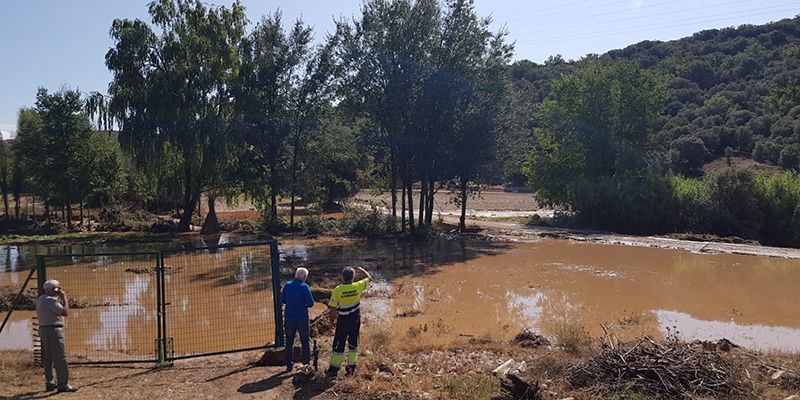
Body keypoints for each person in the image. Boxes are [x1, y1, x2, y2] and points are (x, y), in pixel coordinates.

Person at [326, 266, 372, 377]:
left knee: (339, 343)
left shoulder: (337, 290)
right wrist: (361, 269)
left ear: (343, 277)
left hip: (343, 321)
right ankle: (351, 367)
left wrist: (332, 321)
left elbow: (333, 308)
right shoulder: (358, 286)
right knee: (353, 343)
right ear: (353, 277)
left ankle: (334, 369)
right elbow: (369, 278)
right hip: (355, 320)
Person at [35, 279, 77, 393]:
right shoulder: (51, 301)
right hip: (53, 331)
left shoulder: (41, 299)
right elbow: (65, 312)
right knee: (60, 359)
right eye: (57, 288)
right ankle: (63, 385)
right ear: (52, 289)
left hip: (43, 330)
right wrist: (64, 298)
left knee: (48, 358)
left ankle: (50, 382)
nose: (59, 290)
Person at [281, 267, 315, 372]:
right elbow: (311, 303)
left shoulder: (287, 285)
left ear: (296, 275)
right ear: (304, 277)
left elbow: (283, 300)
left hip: (289, 317)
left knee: (289, 341)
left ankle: (289, 364)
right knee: (305, 341)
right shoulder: (304, 287)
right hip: (302, 318)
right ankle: (306, 364)